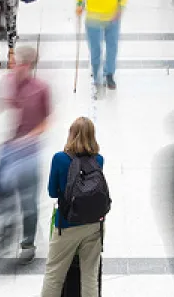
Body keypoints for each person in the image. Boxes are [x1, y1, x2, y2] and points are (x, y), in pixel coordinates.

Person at [0, 46, 51, 261]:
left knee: (28, 198)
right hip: (10, 147)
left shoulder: (41, 89)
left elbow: (46, 121)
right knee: (1, 191)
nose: (13, 65)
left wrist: (29, 138)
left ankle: (28, 241)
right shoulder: (11, 83)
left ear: (26, 65)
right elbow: (4, 104)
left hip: (29, 152)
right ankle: (6, 231)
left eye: (16, 61)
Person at [42, 117, 105, 297]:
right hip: (94, 225)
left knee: (54, 274)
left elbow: (53, 192)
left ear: (71, 134)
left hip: (67, 225)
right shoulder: (99, 160)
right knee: (90, 276)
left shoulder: (60, 159)